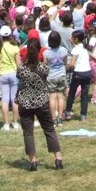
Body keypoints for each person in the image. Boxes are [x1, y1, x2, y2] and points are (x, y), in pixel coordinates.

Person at [16, 35, 64, 171]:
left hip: (25, 103)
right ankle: (58, 157)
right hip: (41, 102)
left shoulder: (21, 69)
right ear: (39, 52)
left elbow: (19, 77)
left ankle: (33, 161)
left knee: (28, 132)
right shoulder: (44, 68)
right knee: (49, 129)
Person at [0, 26, 21, 131]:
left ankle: (6, 124)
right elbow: (19, 64)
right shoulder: (15, 47)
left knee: (5, 100)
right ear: (10, 35)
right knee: (14, 99)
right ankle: (15, 122)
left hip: (3, 74)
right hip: (13, 74)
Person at [65, 29, 94, 121]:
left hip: (78, 73)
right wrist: (72, 42)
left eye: (72, 38)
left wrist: (66, 68)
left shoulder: (75, 49)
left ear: (76, 39)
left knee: (71, 93)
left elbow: (72, 64)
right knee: (84, 95)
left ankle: (68, 112)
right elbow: (79, 47)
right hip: (87, 72)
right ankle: (83, 115)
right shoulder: (86, 47)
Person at [43, 32, 69, 123]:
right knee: (61, 97)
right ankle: (60, 117)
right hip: (61, 75)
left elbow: (45, 66)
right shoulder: (64, 50)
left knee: (52, 97)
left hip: (51, 77)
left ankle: (53, 118)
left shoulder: (46, 53)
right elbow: (65, 63)